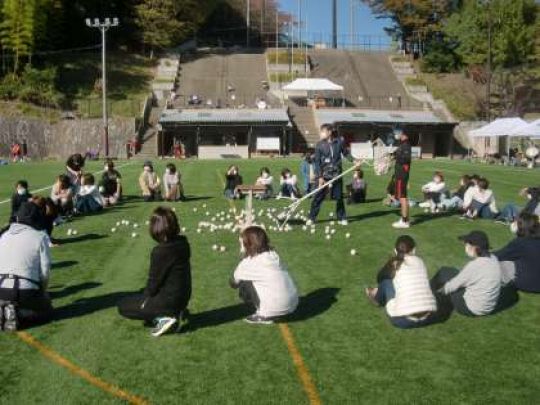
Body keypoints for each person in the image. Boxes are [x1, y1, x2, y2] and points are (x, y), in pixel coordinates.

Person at [117, 207, 191, 337]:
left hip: (169, 301)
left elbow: (153, 284)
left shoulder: (161, 251)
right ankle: (174, 311)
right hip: (183, 297)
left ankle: (165, 317)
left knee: (123, 305)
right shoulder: (183, 243)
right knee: (138, 296)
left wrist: (145, 300)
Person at [365, 235, 437, 329]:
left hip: (402, 321)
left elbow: (380, 278)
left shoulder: (394, 263)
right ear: (414, 250)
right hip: (429, 317)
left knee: (387, 283)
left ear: (395, 250)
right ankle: (377, 294)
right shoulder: (420, 261)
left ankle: (377, 298)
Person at [230, 226, 298, 324]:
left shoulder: (247, 264)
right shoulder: (274, 255)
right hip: (293, 305)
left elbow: (233, 283)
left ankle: (263, 314)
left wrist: (242, 257)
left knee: (243, 282)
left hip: (274, 309)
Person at [0, 203, 52, 330]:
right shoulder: (40, 237)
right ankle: (20, 314)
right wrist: (43, 290)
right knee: (47, 308)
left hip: (1, 287)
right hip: (25, 291)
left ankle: (7, 310)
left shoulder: (4, 236)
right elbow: (45, 270)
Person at [431, 231, 502, 316]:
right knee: (451, 272)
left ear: (475, 247)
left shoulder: (474, 266)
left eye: (467, 244)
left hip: (470, 308)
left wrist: (439, 292)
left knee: (444, 271)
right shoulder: (494, 259)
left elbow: (451, 286)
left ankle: (426, 294)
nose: (465, 246)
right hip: (489, 307)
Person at [307, 124, 356, 226]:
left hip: (337, 174)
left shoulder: (339, 142)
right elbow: (317, 162)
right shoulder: (319, 145)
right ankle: (311, 217)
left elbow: (346, 153)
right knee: (318, 197)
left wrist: (354, 160)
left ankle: (341, 217)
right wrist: (320, 177)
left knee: (339, 197)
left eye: (323, 131)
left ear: (329, 132)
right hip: (324, 175)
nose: (321, 134)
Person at [495, 213, 540, 293]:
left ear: (521, 225)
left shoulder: (520, 242)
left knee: (495, 263)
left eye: (516, 222)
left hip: (526, 285)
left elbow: (498, 256)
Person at [392, 130, 412, 229]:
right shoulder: (402, 145)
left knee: (402, 197)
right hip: (400, 174)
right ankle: (405, 219)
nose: (397, 135)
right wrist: (393, 155)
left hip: (402, 175)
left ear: (404, 135)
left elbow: (406, 159)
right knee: (402, 197)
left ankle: (405, 221)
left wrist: (397, 157)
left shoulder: (406, 145)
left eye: (399, 133)